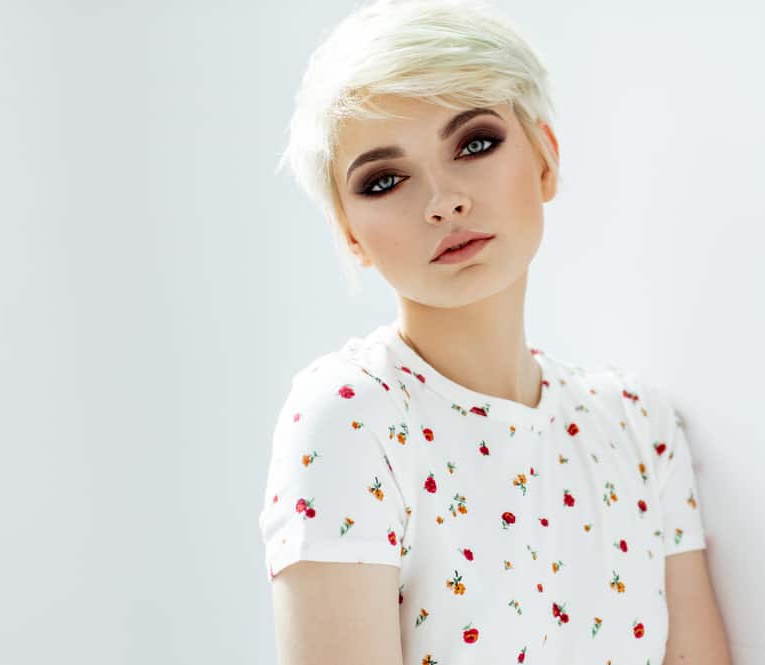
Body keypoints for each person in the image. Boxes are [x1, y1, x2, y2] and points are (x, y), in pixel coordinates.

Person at [258, 1, 731, 664]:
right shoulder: (351, 416)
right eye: (384, 179)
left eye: (474, 143)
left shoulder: (635, 424)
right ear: (348, 233)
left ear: (545, 158)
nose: (442, 200)